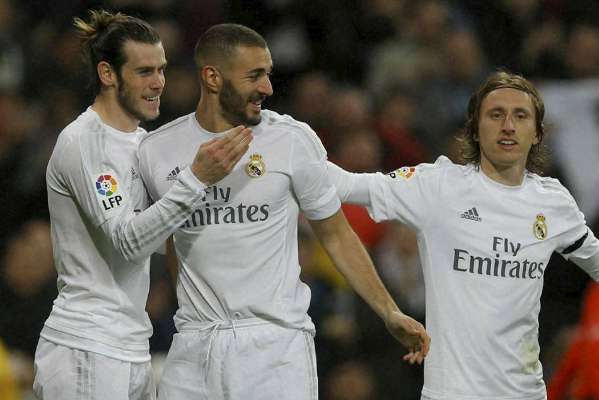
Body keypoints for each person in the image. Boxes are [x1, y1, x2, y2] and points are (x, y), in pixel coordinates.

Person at [137, 23, 429, 400]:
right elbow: (171, 242)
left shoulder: (290, 140)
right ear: (212, 77)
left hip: (275, 349)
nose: (267, 88)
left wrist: (389, 311)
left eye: (269, 74)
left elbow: (336, 235)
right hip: (194, 347)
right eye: (254, 75)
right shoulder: (157, 150)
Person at [327, 71, 599, 400]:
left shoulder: (553, 202)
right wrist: (287, 146)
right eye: (496, 115)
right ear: (474, 129)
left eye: (520, 115)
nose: (508, 126)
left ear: (538, 132)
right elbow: (344, 183)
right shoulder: (437, 186)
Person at [33, 11, 252, 400]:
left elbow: (161, 234)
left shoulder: (142, 144)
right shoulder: (84, 142)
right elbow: (128, 241)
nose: (159, 83)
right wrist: (196, 178)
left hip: (132, 347)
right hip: (87, 348)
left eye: (162, 69)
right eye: (145, 71)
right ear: (108, 74)